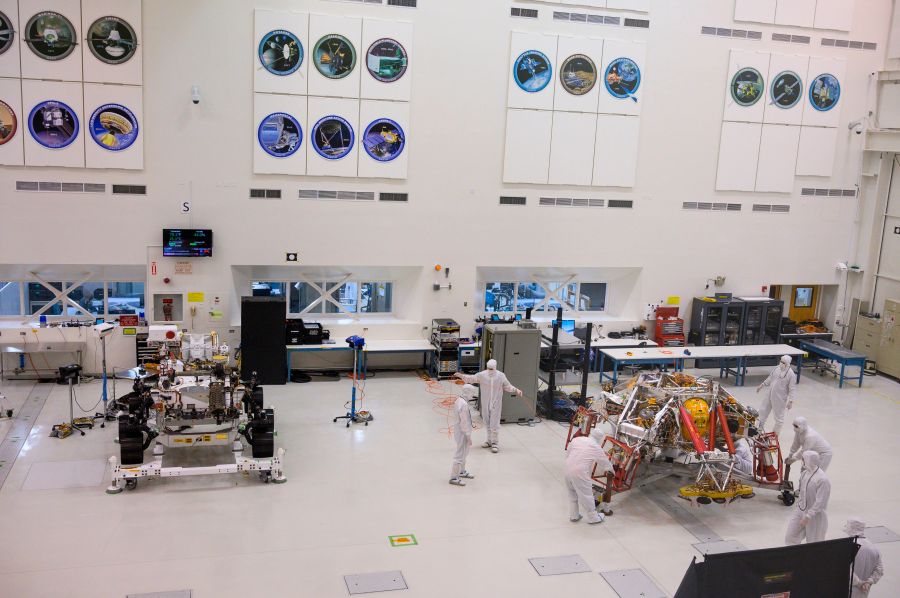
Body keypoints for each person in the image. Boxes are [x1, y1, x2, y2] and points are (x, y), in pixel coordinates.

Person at [454, 359, 522, 453]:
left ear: (495, 367)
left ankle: (495, 443)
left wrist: (516, 390)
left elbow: (507, 386)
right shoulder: (482, 375)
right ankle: (489, 441)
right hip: (485, 402)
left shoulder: (501, 376)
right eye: (488, 368)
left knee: (494, 423)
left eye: (491, 369)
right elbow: (471, 378)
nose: (490, 371)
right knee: (487, 421)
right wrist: (461, 376)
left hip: (496, 403)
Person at [565, 432, 613, 524]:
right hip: (580, 473)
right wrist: (611, 470)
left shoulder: (576, 439)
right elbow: (605, 462)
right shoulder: (595, 447)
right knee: (587, 495)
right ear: (599, 438)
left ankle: (574, 515)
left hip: (567, 469)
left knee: (572, 493)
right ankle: (593, 517)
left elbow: (568, 454)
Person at [785, 450, 830, 545]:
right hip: (800, 510)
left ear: (809, 461)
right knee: (791, 536)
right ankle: (793, 558)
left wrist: (808, 516)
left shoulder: (822, 479)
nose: (802, 461)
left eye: (803, 459)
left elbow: (820, 502)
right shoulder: (805, 473)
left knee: (814, 543)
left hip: (815, 517)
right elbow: (801, 493)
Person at [757, 355, 797, 435]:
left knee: (779, 418)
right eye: (781, 361)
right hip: (769, 394)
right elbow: (770, 377)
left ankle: (775, 434)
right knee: (762, 412)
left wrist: (791, 401)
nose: (781, 363)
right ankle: (759, 429)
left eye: (783, 363)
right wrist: (763, 384)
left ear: (788, 364)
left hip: (780, 398)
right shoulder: (777, 368)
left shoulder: (791, 374)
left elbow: (792, 388)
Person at [844, 517, 884, 597]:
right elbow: (880, 570)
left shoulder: (848, 546)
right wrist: (868, 582)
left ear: (850, 528)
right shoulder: (874, 548)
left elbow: (844, 570)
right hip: (864, 591)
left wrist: (859, 583)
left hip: (847, 591)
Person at [449, 384, 476, 487]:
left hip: (460, 431)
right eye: (472, 393)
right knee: (460, 454)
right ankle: (453, 477)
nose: (473, 395)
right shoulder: (463, 405)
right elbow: (464, 423)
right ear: (467, 392)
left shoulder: (460, 401)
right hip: (462, 432)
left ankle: (462, 471)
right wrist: (468, 436)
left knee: (464, 452)